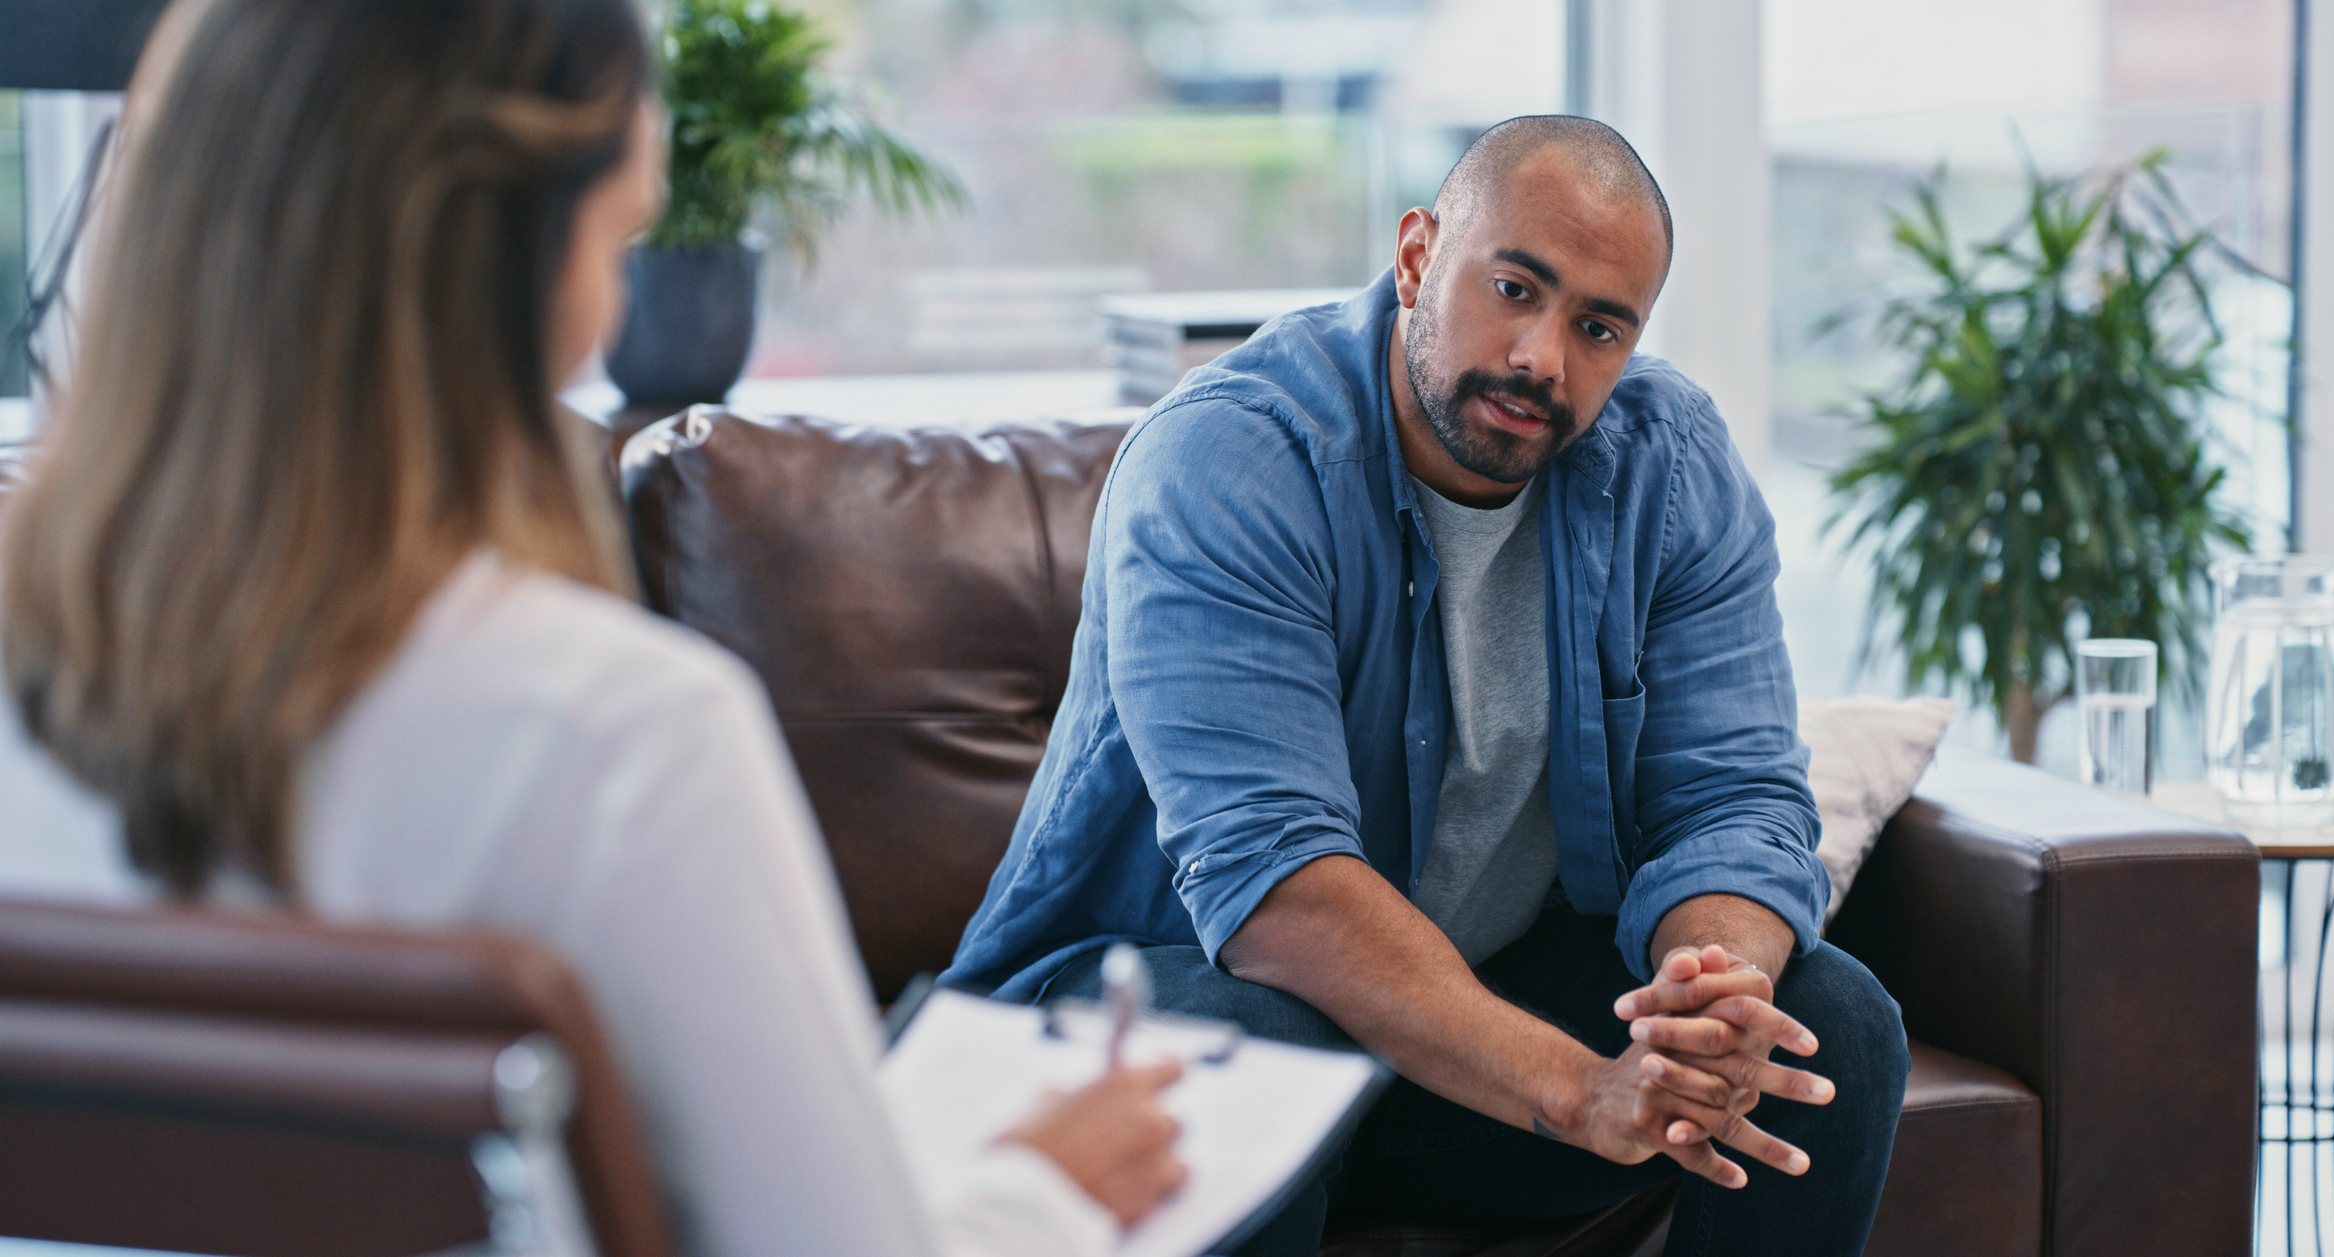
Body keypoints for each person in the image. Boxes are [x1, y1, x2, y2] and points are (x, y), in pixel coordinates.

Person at [0, 2, 1185, 1255]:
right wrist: (1038, 1190)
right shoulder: (621, 736)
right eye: (619, 242)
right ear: (508, 268)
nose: (609, 309)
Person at [945, 115, 1909, 1255]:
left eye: (1598, 327)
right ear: (1414, 257)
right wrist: (1576, 1089)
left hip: (1454, 1046)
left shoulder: (1669, 465)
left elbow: (1734, 799)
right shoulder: (1230, 460)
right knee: (1242, 1038)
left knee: (1824, 1024)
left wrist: (1710, 1002)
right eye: (1513, 288)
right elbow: (1280, 891)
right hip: (1152, 1026)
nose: (1541, 358)